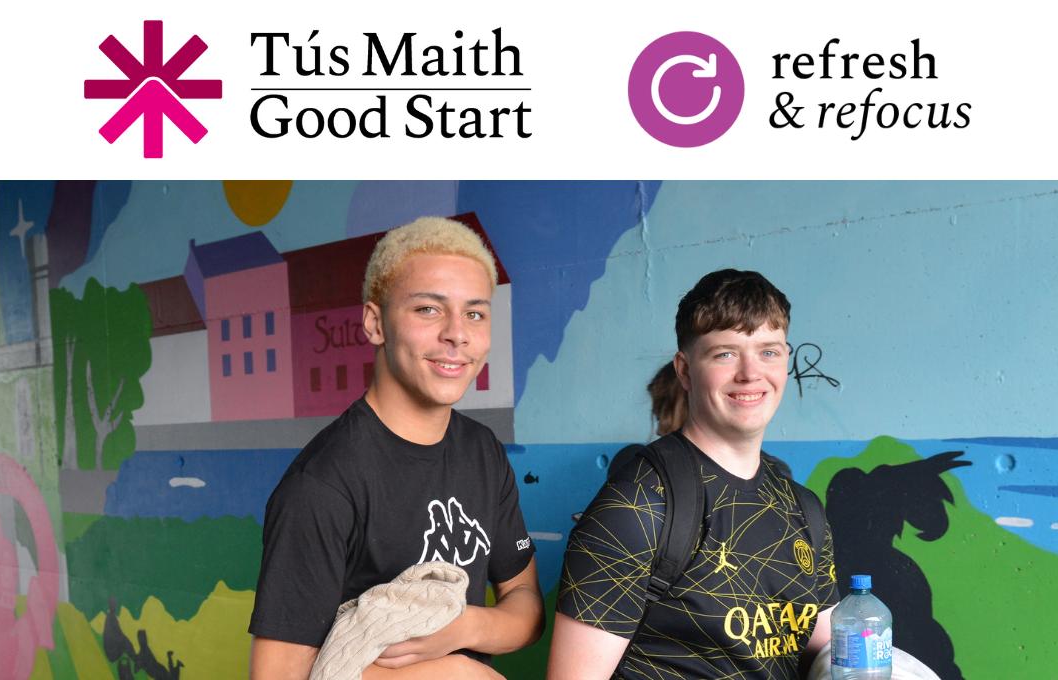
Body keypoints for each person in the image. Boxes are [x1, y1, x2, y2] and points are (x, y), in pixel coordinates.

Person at [249, 217, 543, 680]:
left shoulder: (483, 451)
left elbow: (526, 609)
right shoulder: (324, 483)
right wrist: (455, 676)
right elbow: (279, 675)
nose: (457, 334)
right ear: (375, 323)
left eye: (474, 313)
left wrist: (461, 626)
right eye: (428, 309)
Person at [549, 269, 840, 679]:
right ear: (684, 370)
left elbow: (829, 656)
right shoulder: (637, 505)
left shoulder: (804, 509)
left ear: (786, 361)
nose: (750, 373)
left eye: (768, 352)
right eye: (725, 353)